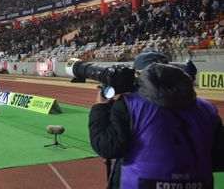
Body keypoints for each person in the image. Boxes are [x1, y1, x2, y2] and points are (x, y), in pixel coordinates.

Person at [89, 52, 224, 188]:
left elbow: (107, 147)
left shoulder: (129, 104)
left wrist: (100, 108)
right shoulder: (207, 109)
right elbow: (219, 159)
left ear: (138, 75)